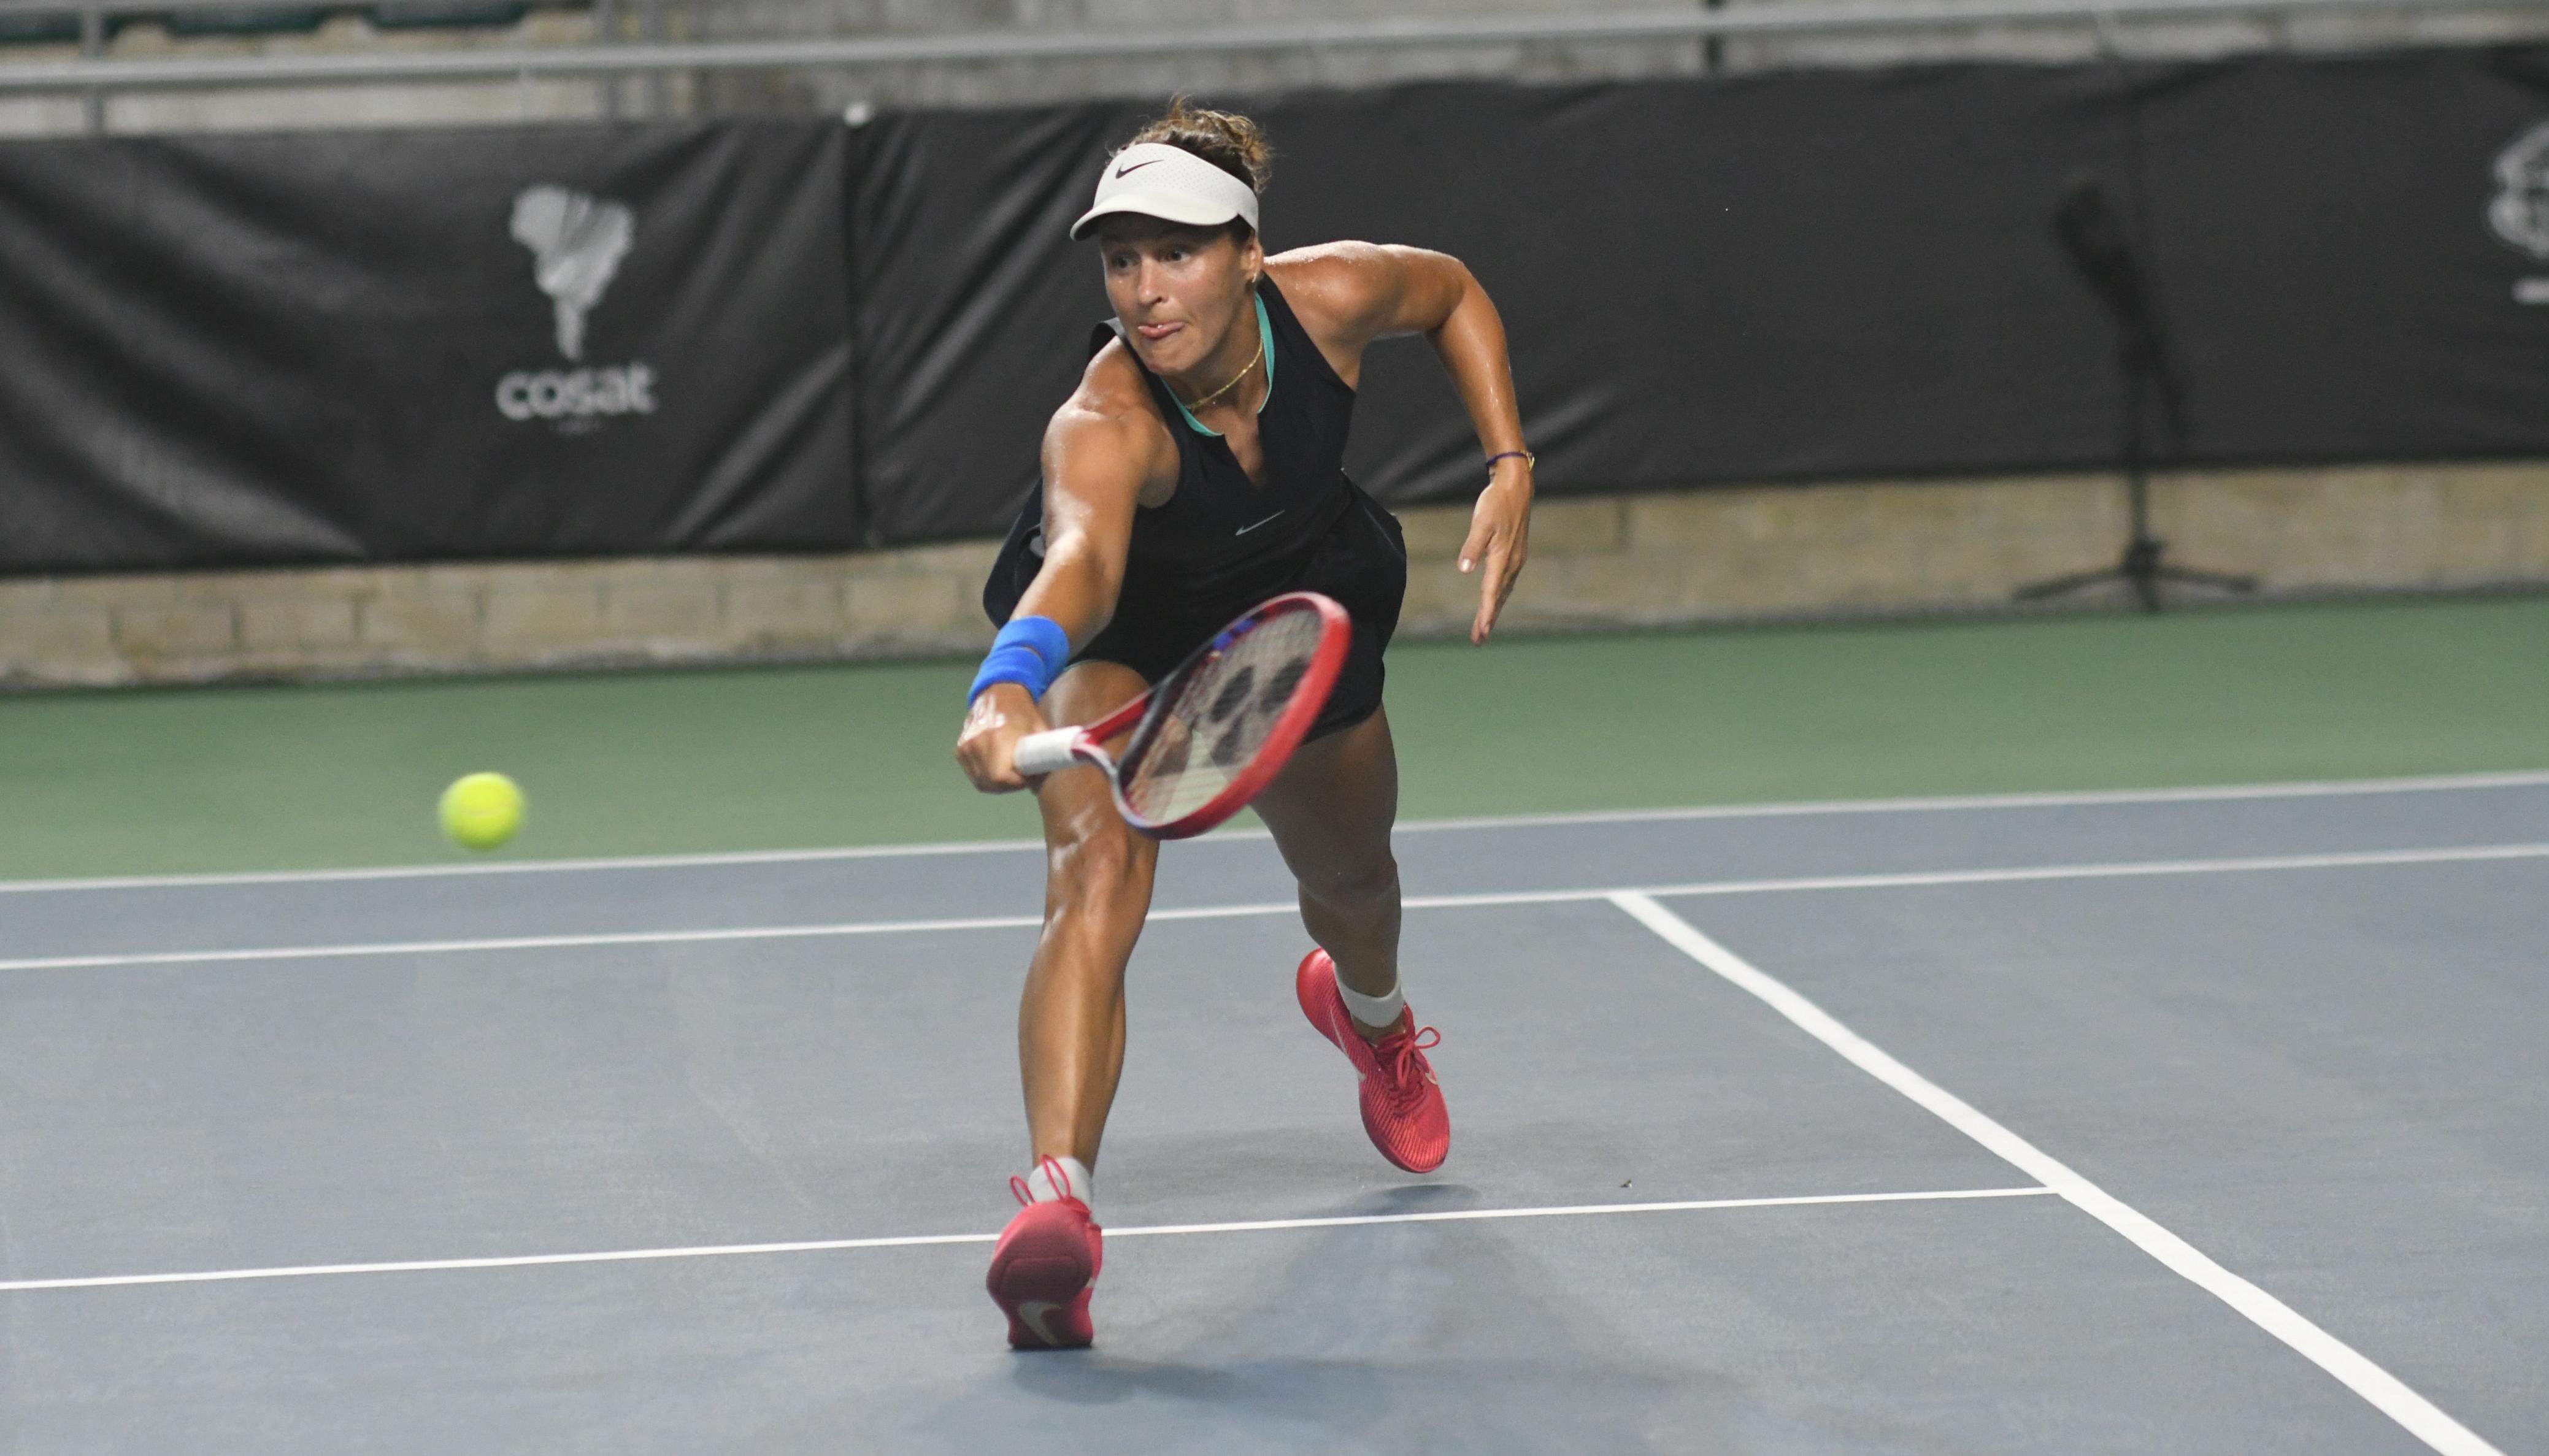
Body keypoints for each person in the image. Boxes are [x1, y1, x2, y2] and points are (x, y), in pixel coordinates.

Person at [953, 99, 1534, 1351]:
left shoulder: (1327, 300)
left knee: (1354, 878)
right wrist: (1004, 683)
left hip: (1300, 608)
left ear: (1248, 255)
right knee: (1092, 869)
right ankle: (1056, 1209)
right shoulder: (1102, 425)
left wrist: (1508, 463)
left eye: (1176, 253)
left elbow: (1451, 294)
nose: (1144, 289)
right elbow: (1078, 568)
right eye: (1121, 260)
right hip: (1125, 637)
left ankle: (1369, 1017)